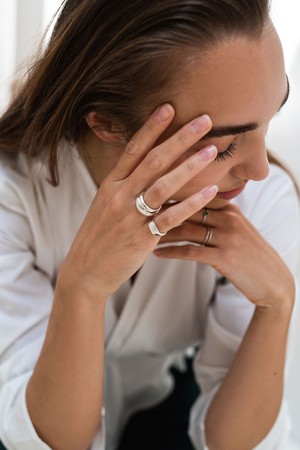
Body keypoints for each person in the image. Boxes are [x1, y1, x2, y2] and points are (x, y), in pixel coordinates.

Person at [0, 0, 299, 449]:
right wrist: (81, 288)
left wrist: (275, 306)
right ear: (106, 123)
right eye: (222, 147)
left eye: (268, 120)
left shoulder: (263, 199)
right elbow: (48, 442)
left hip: (169, 407)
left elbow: (233, 444)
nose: (259, 169)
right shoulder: (14, 194)